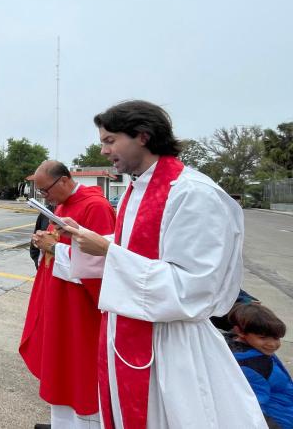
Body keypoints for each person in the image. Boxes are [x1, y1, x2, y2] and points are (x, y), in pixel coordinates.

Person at [63, 100, 266, 428]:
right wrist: (99, 245)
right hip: (127, 333)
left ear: (142, 136)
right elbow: (146, 252)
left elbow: (195, 286)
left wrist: (109, 252)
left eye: (110, 140)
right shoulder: (137, 187)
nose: (103, 151)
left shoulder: (193, 193)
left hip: (172, 347)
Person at [19, 161, 116, 429]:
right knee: (61, 372)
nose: (44, 197)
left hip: (80, 314)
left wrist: (53, 248)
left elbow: (101, 268)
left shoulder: (96, 207)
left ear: (63, 181)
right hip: (61, 305)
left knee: (79, 376)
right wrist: (44, 241)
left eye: (45, 190)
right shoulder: (62, 206)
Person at [227, 303, 293, 429]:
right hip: (281, 421)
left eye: (276, 338)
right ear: (239, 331)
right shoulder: (251, 367)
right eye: (263, 338)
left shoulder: (256, 350)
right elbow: (255, 409)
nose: (273, 344)